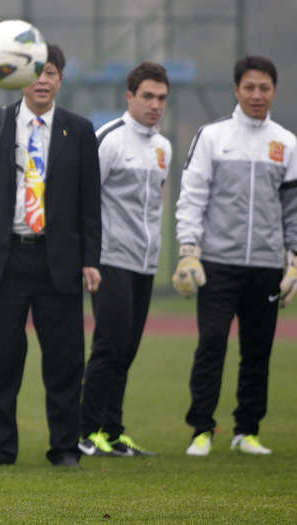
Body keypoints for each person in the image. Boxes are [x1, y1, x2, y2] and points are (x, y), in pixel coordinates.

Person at [0, 44, 102, 468]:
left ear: (60, 79)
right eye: (34, 71)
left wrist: (91, 258)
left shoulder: (79, 129)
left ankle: (65, 448)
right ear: (18, 77)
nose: (42, 79)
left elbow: (90, 203)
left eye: (50, 71)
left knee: (64, 362)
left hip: (60, 263)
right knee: (1, 361)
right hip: (4, 260)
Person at [174, 55, 297, 456]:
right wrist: (189, 251)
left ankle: (247, 431)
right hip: (217, 264)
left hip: (265, 266)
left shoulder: (287, 144)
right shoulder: (212, 137)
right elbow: (192, 195)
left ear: (274, 91)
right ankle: (201, 430)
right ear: (236, 90)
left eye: (264, 88)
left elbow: (293, 210)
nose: (257, 95)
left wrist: (293, 260)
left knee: (257, 351)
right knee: (211, 343)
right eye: (250, 87)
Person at [78, 62, 171, 457]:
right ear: (129, 97)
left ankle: (112, 431)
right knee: (110, 345)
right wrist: (89, 258)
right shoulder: (109, 139)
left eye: (162, 98)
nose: (155, 105)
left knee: (127, 348)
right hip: (110, 258)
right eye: (147, 96)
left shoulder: (163, 148)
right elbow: (85, 199)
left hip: (145, 263)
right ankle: (84, 432)